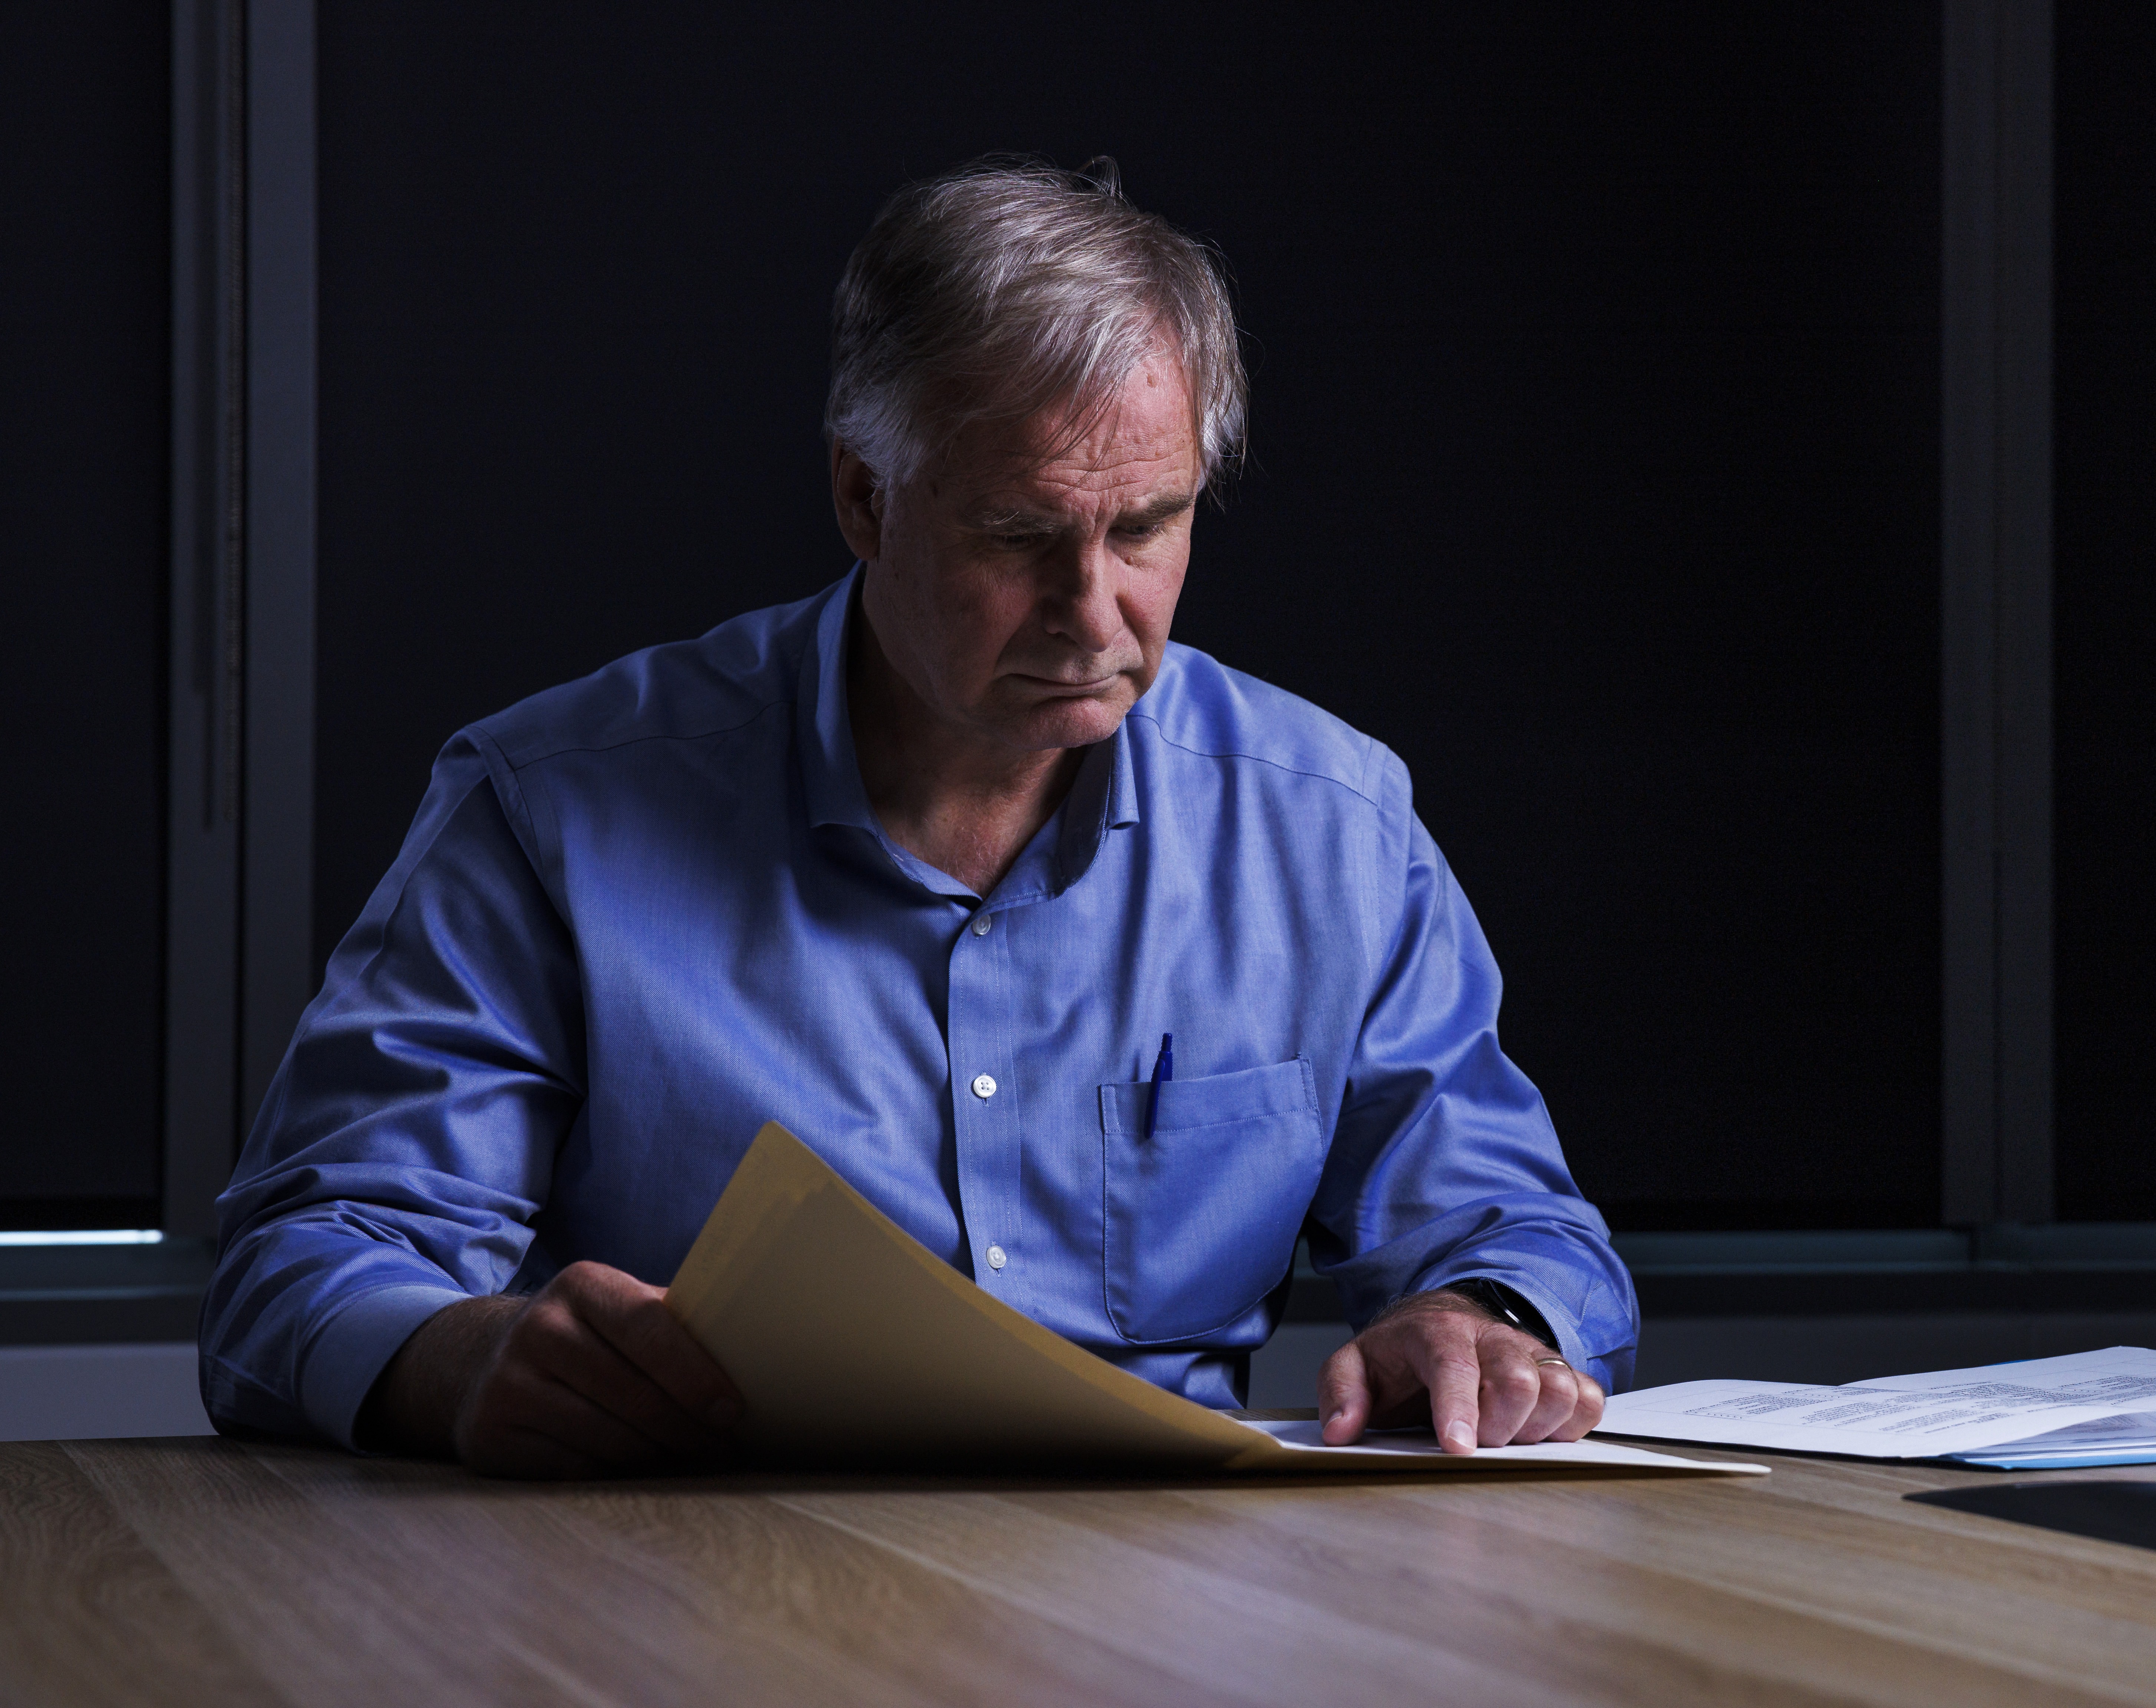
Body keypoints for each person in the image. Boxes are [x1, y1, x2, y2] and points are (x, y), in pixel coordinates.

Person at [197, 157, 1635, 1477]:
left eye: (1144, 527)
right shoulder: (551, 810)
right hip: (695, 1588)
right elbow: (308, 1259)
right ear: (861, 497)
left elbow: (1513, 1228)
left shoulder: (1331, 832)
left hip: (1182, 1614)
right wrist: (455, 1362)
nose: (1093, 612)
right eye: (1019, 536)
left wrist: (1480, 1320)